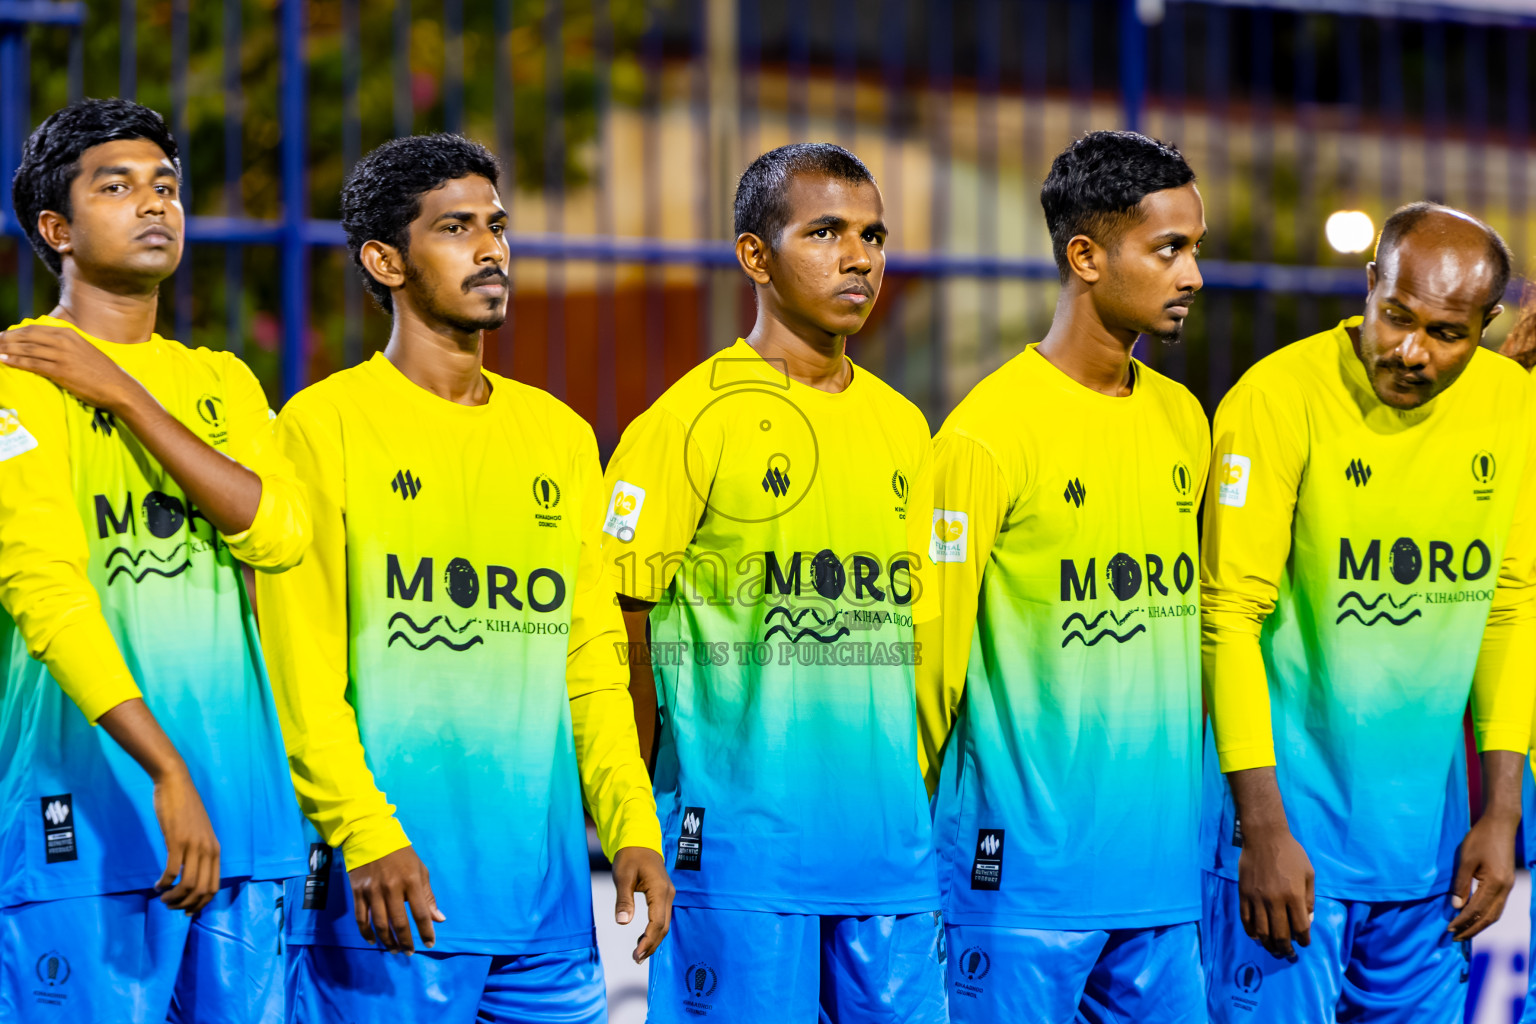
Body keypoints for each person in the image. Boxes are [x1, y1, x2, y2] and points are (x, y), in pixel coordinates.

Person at [255, 133, 670, 1023]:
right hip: (387, 904)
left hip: (549, 913)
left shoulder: (558, 434)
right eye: (455, 228)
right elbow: (301, 673)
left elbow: (591, 664)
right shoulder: (321, 426)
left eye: (496, 225)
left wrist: (632, 822)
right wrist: (364, 832)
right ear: (385, 260)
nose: (492, 248)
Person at [600, 143, 945, 1023]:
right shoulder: (685, 420)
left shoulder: (906, 428)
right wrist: (634, 813)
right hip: (743, 856)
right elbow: (618, 627)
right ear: (756, 256)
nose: (859, 257)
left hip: (891, 858)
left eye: (872, 234)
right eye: (825, 232)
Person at [0, 98, 310, 1022]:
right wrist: (164, 770)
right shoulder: (17, 378)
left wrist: (129, 400)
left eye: (167, 187)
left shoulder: (221, 381)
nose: (153, 204)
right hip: (85, 828)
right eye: (119, 186)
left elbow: (281, 532)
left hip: (247, 827)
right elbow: (44, 592)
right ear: (56, 228)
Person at [1202, 202, 1536, 1022]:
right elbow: (1228, 619)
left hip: (1433, 862)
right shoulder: (1277, 398)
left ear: (1487, 325)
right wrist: (1262, 831)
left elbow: (1508, 607)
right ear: (1370, 286)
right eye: (1397, 316)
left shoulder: (1510, 405)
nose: (1412, 351)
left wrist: (1500, 811)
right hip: (1291, 852)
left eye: (1447, 334)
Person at [915, 130, 1210, 1022]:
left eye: (1196, 249)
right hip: (1017, 890)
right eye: (1169, 250)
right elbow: (929, 668)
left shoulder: (1183, 418)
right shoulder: (984, 434)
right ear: (1085, 255)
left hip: (1161, 883)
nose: (1192, 274)